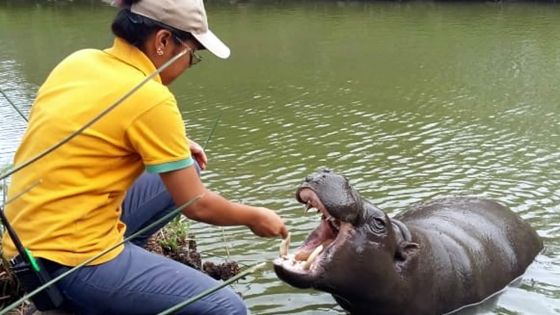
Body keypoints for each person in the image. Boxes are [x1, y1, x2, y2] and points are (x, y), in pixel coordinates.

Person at [1, 0, 288, 314]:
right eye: (192, 56)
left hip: (25, 251)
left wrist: (173, 143)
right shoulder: (150, 97)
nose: (189, 66)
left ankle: (128, 283)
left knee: (186, 166)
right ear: (163, 41)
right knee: (226, 307)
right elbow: (196, 205)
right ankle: (103, 288)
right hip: (69, 263)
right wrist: (254, 217)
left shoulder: (80, 61)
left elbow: (83, 133)